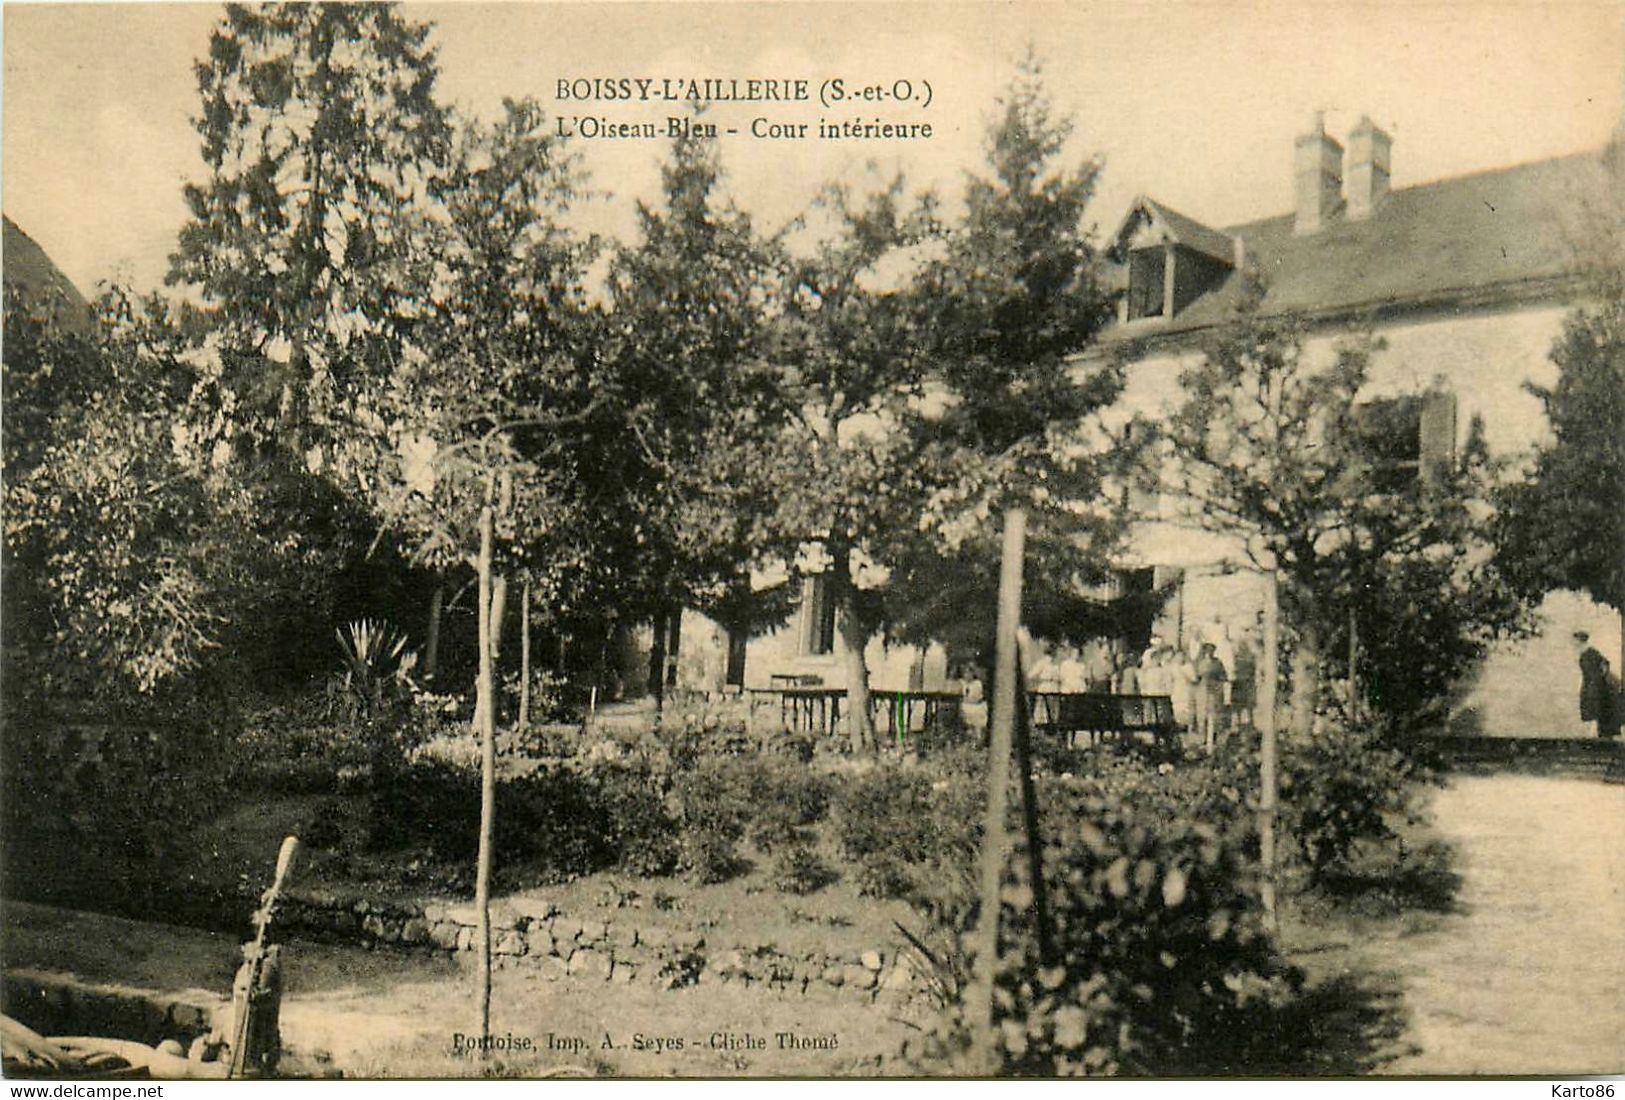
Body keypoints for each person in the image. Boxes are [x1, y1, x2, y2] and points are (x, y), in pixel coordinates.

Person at [1574, 631, 1620, 739]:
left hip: (1595, 683)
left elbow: (1604, 664)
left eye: (1576, 641)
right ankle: (1594, 733)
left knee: (1595, 706)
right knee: (1592, 707)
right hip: (1591, 682)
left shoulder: (1590, 653)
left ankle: (1594, 733)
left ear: (1580, 641)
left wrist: (1600, 679)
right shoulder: (1586, 652)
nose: (1574, 644)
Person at [1194, 642, 1229, 753]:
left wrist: (1218, 681)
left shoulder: (1217, 663)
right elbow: (1195, 677)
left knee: (1214, 715)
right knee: (1203, 715)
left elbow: (1224, 676)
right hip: (1203, 690)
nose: (1210, 653)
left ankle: (1213, 738)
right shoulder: (1200, 663)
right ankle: (1203, 738)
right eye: (1207, 651)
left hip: (1215, 690)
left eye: (1212, 651)